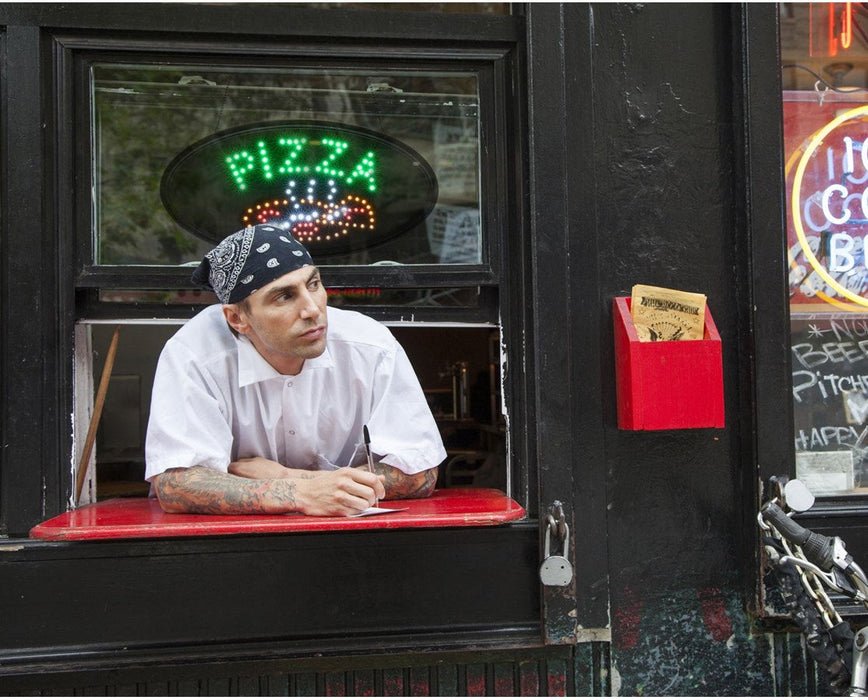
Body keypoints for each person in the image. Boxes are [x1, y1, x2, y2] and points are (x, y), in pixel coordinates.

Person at [145, 223, 446, 516]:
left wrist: (286, 478)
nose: (312, 309)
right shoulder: (194, 354)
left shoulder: (370, 346)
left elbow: (420, 471)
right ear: (237, 319)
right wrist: (302, 495)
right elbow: (176, 484)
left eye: (313, 285)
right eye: (284, 296)